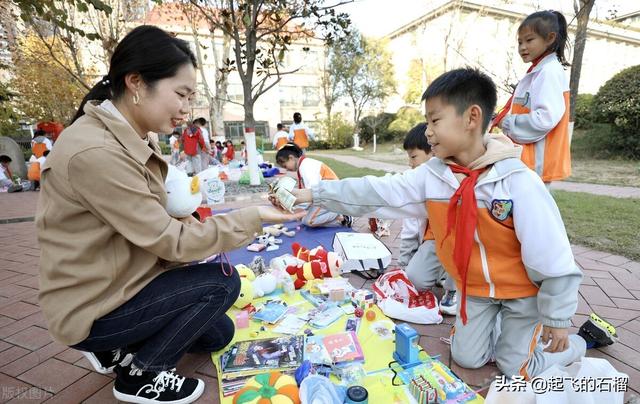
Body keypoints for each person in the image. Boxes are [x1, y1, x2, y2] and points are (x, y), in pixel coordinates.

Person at [285, 68, 617, 380]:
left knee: (515, 366)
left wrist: (556, 318)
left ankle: (579, 342)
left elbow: (552, 254)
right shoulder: (433, 176)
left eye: (435, 120)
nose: (427, 131)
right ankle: (504, 334)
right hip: (475, 290)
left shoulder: (517, 182)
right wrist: (314, 194)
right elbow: (379, 190)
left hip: (522, 294)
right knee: (467, 358)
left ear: (472, 117)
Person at [37, 25, 303, 404]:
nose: (185, 109)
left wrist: (221, 214)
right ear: (137, 83)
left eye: (190, 96)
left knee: (218, 334)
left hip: (124, 282)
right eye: (181, 94)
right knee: (221, 283)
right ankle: (140, 375)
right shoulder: (95, 152)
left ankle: (114, 349)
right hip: (94, 303)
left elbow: (156, 214)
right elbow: (173, 242)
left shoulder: (128, 136)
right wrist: (255, 216)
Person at [493, 10, 571, 185]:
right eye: (520, 42)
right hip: (529, 164)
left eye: (529, 40)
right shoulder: (539, 71)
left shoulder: (548, 72)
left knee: (530, 212)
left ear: (550, 39)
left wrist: (506, 122)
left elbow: (545, 118)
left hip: (537, 165)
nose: (522, 47)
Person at [398, 123, 457, 315]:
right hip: (434, 239)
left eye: (414, 157)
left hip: (456, 240)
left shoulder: (454, 176)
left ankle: (453, 289)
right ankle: (440, 271)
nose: (410, 163)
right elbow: (409, 227)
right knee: (415, 279)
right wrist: (404, 267)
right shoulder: (415, 182)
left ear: (432, 152)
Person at [275, 143, 351, 228]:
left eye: (285, 166)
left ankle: (341, 214)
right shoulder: (303, 165)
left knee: (308, 221)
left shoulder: (306, 166)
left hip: (332, 197)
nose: (286, 169)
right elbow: (309, 193)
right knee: (301, 216)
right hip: (325, 195)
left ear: (291, 158)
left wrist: (296, 206)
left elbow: (311, 193)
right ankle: (336, 214)